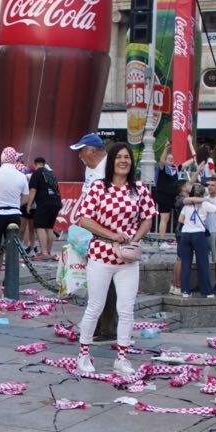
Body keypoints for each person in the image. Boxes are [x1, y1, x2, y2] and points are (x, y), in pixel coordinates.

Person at [73, 141, 153, 376]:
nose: (123, 161)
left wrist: (135, 238)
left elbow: (148, 217)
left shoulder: (139, 188)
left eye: (127, 157)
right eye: (119, 157)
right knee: (95, 306)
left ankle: (122, 357)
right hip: (101, 253)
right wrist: (111, 235)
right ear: (111, 161)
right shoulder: (99, 187)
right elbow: (83, 218)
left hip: (128, 258)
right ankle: (83, 354)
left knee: (126, 309)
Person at [0, 147, 32, 291]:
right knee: (6, 251)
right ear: (15, 159)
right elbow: (26, 197)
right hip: (14, 214)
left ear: (2, 158)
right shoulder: (21, 175)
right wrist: (15, 204)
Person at [176, 184, 214, 297]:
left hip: (185, 234)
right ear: (202, 194)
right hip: (198, 234)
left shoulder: (186, 205)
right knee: (202, 263)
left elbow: (180, 219)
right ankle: (207, 291)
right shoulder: (205, 204)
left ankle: (185, 291)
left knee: (186, 263)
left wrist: (189, 223)